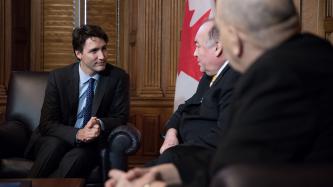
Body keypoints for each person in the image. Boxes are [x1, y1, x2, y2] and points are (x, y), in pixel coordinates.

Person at [105, 0, 333, 186]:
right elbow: (234, 155)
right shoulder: (318, 51)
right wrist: (166, 173)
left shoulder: (273, 74)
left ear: (233, 39)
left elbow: (233, 167)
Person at [25, 24, 130, 178]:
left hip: (90, 144)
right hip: (56, 138)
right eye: (94, 51)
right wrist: (77, 134)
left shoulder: (117, 77)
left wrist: (99, 124)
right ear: (79, 53)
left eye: (104, 48)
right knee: (54, 146)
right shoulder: (59, 77)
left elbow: (120, 117)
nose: (102, 56)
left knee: (78, 157)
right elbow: (47, 123)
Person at [147, 19, 240, 181]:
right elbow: (185, 108)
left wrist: (178, 151)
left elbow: (223, 136)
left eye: (198, 45)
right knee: (138, 174)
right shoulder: (209, 77)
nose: (194, 53)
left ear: (217, 47)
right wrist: (171, 133)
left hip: (201, 158)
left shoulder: (234, 79)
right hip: (183, 150)